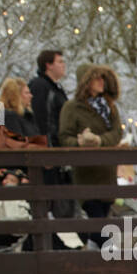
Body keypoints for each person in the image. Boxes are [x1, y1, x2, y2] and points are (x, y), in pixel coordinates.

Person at [58, 64, 123, 248]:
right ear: (86, 82)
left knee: (102, 212)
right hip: (86, 171)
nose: (101, 82)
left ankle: (94, 253)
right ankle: (111, 250)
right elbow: (64, 136)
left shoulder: (109, 107)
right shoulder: (72, 108)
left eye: (103, 78)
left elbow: (117, 132)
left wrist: (100, 140)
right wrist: (79, 142)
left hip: (107, 170)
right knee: (95, 214)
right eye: (97, 78)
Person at [28, 49, 77, 224]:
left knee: (61, 198)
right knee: (48, 198)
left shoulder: (55, 88)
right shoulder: (40, 87)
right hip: (47, 151)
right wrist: (45, 148)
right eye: (60, 62)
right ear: (48, 65)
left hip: (58, 149)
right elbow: (41, 120)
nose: (63, 65)